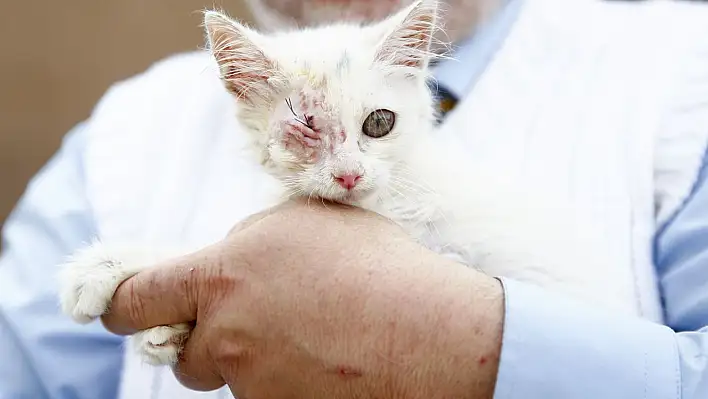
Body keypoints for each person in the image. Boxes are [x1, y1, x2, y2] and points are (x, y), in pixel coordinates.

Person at [1, 0, 708, 397]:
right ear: (240, 86)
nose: (345, 171)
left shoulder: (682, 75)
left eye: (376, 125)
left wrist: (465, 348)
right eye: (309, 136)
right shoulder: (121, 141)